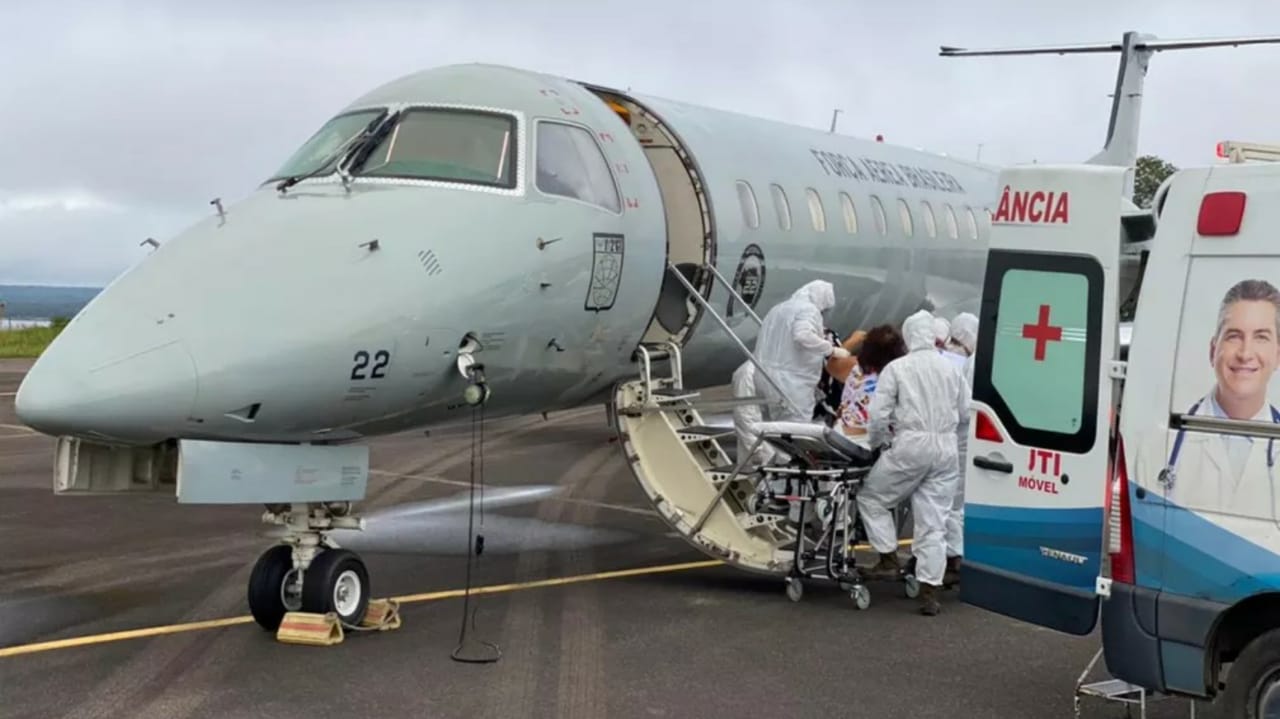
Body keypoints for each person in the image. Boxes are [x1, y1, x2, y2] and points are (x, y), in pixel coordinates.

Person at [856, 309, 969, 616]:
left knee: (872, 498)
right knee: (933, 523)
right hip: (945, 449)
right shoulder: (951, 369)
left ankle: (888, 559)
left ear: (908, 337)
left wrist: (877, 444)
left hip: (910, 446)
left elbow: (878, 415)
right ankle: (929, 593)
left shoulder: (897, 368)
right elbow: (966, 412)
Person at [1148, 279, 1280, 517]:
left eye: (1261, 337)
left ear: (1278, 355)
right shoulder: (1159, 448)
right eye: (1233, 336)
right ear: (1212, 351)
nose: (1245, 353)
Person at [753, 280, 849, 422]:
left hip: (763, 376)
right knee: (796, 431)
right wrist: (831, 350)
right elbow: (802, 335)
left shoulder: (778, 308)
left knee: (770, 429)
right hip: (791, 383)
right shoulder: (808, 310)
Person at [941, 311, 978, 585]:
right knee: (956, 501)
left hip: (940, 437)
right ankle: (956, 558)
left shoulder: (943, 358)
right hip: (962, 438)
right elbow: (966, 410)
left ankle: (948, 557)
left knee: (940, 501)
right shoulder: (968, 361)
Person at [835, 325, 907, 438]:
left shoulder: (854, 367)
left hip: (839, 432)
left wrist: (852, 341)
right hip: (867, 444)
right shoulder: (897, 382)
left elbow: (832, 364)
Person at [731, 360, 775, 470]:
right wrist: (756, 449)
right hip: (759, 443)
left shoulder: (780, 368)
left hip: (774, 438)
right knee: (756, 480)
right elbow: (743, 414)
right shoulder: (747, 373)